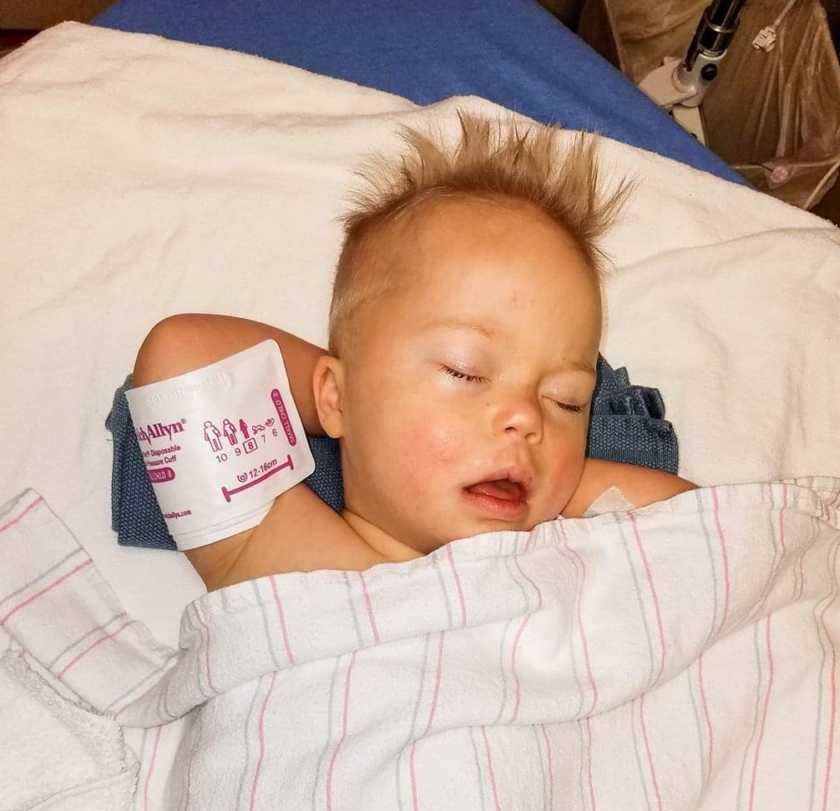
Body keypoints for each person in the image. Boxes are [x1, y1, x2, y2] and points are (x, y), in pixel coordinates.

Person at [131, 113, 695, 591]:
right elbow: (185, 356)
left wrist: (560, 482)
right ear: (332, 397)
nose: (526, 417)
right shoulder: (284, 559)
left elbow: (706, 530)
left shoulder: (565, 567)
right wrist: (357, 396)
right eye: (465, 370)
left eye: (567, 401)